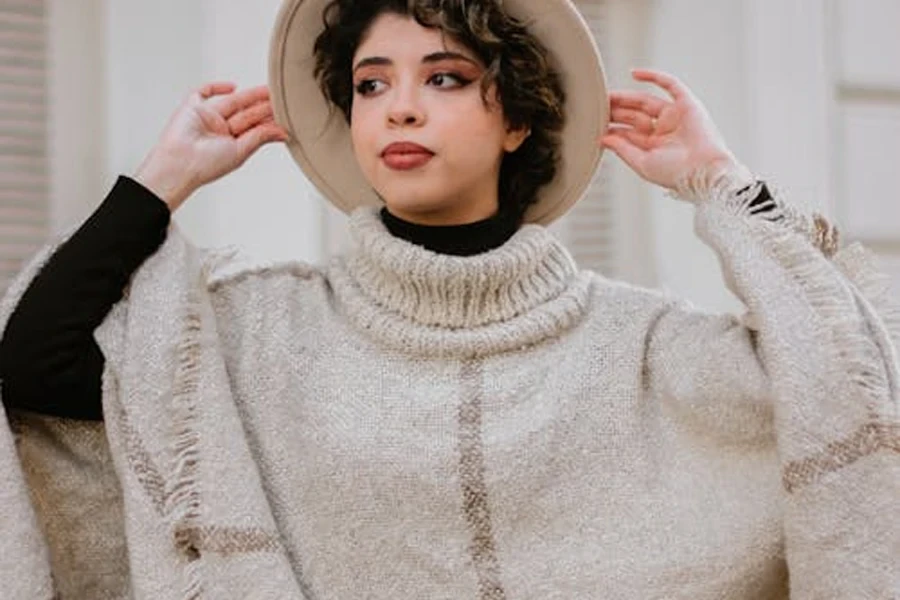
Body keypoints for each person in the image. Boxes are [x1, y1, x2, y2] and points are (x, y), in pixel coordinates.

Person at [0, 0, 897, 598]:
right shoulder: (258, 336)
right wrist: (161, 182)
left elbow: (853, 396)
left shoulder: (646, 350)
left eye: (444, 77)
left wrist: (723, 186)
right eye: (370, 84)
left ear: (516, 119)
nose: (398, 109)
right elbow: (34, 367)